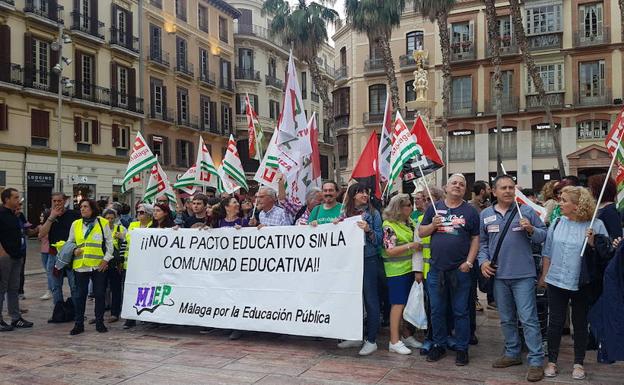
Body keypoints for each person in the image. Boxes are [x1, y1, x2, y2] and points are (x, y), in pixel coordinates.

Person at [478, 175, 547, 383]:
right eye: (503, 188)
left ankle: (536, 361)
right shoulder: (485, 214)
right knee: (506, 318)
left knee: (528, 319)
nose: (508, 191)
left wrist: (531, 229)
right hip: (499, 276)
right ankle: (512, 353)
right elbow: (482, 243)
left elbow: (544, 236)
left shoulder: (526, 211)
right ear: (494, 191)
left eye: (511, 187)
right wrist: (483, 262)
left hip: (523, 275)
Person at [539, 186, 609, 380]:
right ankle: (552, 361)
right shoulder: (557, 222)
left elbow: (606, 255)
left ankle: (578, 362)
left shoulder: (596, 224)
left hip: (582, 282)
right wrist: (544, 276)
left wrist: (594, 242)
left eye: (564, 200)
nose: (560, 203)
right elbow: (548, 252)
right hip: (556, 280)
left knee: (580, 323)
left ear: (578, 205)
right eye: (560, 199)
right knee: (555, 322)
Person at [419, 173, 480, 366]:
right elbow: (421, 232)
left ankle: (462, 348)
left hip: (460, 270)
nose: (458, 186)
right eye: (454, 183)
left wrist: (469, 262)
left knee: (461, 311)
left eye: (462, 184)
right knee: (437, 310)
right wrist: (432, 225)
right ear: (446, 187)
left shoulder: (470, 212)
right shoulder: (434, 209)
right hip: (437, 270)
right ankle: (439, 344)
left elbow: (476, 239)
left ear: (465, 189)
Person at [335, 183, 383, 355]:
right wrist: (335, 226)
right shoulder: (344, 213)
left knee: (370, 299)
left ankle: (371, 340)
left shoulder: (374, 214)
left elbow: (379, 240)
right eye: (361, 192)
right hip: (349, 261)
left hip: (368, 260)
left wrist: (368, 229)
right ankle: (355, 336)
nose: (365, 194)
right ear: (353, 195)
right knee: (353, 299)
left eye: (367, 192)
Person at [381, 194, 423, 355]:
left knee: (407, 304)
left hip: (409, 269)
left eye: (410, 205)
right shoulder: (389, 226)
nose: (410, 208)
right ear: (398, 208)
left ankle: (406, 335)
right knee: (398, 305)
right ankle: (394, 340)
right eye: (406, 205)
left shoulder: (409, 222)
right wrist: (410, 246)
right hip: (396, 271)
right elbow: (390, 250)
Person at [67, 199, 114, 335]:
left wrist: (106, 260)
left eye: (85, 207)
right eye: (81, 207)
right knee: (80, 295)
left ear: (92, 208)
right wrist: (74, 249)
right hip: (81, 266)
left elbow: (110, 243)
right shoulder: (76, 224)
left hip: (98, 266)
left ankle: (99, 322)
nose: (82, 209)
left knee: (99, 294)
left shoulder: (102, 222)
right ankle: (78, 324)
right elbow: (70, 242)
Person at [38, 192, 80, 307]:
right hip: (54, 255)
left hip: (71, 254)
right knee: (55, 286)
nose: (57, 203)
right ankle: (58, 310)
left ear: (65, 201)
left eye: (59, 201)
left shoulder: (74, 215)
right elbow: (41, 234)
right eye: (54, 201)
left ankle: (77, 311)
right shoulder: (49, 215)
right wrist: (52, 217)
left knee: (74, 285)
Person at [0, 188, 33, 331]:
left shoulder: (16, 215)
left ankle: (15, 318)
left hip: (17, 255)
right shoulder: (1, 214)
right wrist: (2, 252)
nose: (18, 200)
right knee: (1, 288)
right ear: (6, 199)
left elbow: (25, 231)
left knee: (14, 288)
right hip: (5, 257)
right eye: (15, 197)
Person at [123, 203, 154, 329]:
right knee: (129, 290)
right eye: (138, 212)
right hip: (130, 263)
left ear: (148, 214)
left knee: (146, 290)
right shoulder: (133, 225)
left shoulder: (153, 226)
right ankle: (130, 318)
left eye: (141, 212)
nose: (138, 215)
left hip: (147, 264)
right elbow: (129, 239)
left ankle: (146, 315)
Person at [102, 208, 126, 323]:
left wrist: (122, 236)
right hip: (103, 262)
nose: (110, 220)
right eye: (107, 218)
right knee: (101, 289)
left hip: (115, 263)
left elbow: (125, 244)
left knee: (116, 288)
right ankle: (100, 312)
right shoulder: (100, 229)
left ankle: (115, 313)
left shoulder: (120, 229)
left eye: (112, 218)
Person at [587, 174, 622, 240]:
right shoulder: (598, 206)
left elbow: (616, 236)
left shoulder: (610, 210)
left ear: (599, 189)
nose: (589, 191)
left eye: (591, 188)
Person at [37, 209, 53, 300]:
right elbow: (39, 238)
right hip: (43, 251)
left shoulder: (49, 226)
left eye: (42, 216)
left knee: (49, 272)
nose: (40, 217)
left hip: (49, 251)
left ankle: (50, 290)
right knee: (48, 272)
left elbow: (41, 236)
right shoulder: (41, 226)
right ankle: (50, 289)